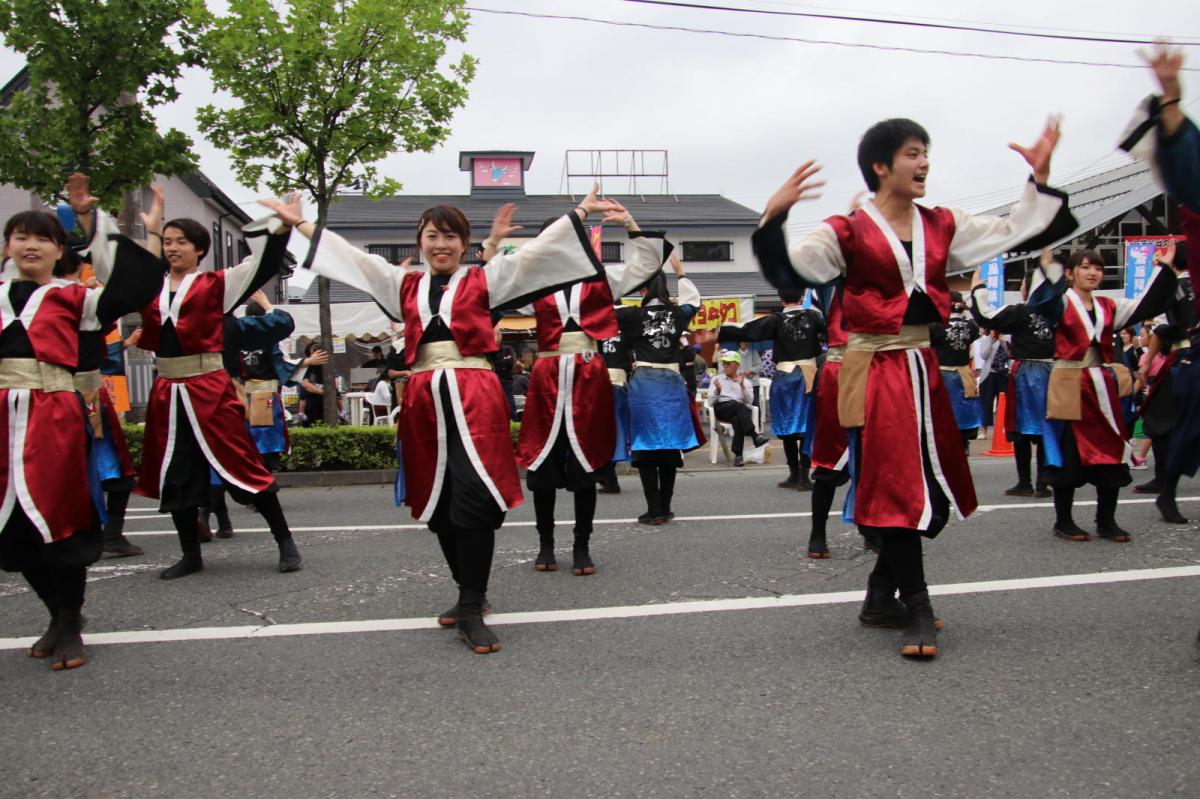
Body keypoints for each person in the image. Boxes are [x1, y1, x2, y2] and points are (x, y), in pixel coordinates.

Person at [754, 115, 1076, 659]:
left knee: (937, 493)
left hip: (923, 370)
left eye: (925, 151)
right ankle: (917, 606)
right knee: (902, 490)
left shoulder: (943, 224)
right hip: (874, 370)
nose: (924, 162)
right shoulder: (846, 230)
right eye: (911, 153)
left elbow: (1018, 231)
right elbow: (791, 272)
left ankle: (881, 594)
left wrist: (1040, 181)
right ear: (881, 166)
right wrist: (775, 214)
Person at [269, 184, 625, 655]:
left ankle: (472, 606)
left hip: (475, 396)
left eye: (451, 236)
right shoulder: (403, 286)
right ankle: (467, 595)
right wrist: (300, 223)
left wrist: (580, 211)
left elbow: (538, 253)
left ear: (464, 243)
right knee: (438, 507)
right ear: (420, 240)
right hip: (422, 401)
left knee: (477, 500)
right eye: (433, 235)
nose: (441, 245)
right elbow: (354, 259)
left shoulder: (485, 281)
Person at [1, 178, 162, 670]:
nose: (31, 245)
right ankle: (57, 615)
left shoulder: (77, 299)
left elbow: (133, 286)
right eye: (21, 236)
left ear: (59, 250)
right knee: (12, 533)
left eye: (43, 238)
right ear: (7, 246)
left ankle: (70, 622)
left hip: (54, 418)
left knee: (60, 522)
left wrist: (94, 223)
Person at [136, 197, 305, 579]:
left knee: (242, 465)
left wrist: (281, 227)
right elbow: (137, 272)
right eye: (167, 241)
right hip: (167, 390)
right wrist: (149, 231)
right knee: (177, 475)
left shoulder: (216, 285)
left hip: (209, 386)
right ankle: (190, 554)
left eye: (181, 241)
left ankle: (285, 541)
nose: (172, 248)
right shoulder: (152, 287)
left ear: (199, 249)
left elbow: (259, 265)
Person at [507, 207, 669, 575]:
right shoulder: (534, 280)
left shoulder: (601, 279)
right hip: (547, 378)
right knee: (543, 470)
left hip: (589, 377)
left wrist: (630, 224)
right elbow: (490, 288)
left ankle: (582, 545)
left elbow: (647, 264)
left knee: (585, 467)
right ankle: (546, 544)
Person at [1031, 248, 1176, 542]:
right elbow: (1039, 302)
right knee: (1067, 453)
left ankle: (1106, 520)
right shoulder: (1059, 302)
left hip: (1102, 386)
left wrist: (1165, 270)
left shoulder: (1109, 306)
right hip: (1068, 382)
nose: (1093, 273)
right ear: (1070, 273)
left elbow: (1147, 305)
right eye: (1085, 267)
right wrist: (1047, 267)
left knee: (1111, 453)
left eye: (1098, 268)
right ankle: (1064, 521)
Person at [618, 254, 701, 524]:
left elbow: (602, 310)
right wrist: (680, 271)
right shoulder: (677, 314)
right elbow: (694, 302)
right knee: (668, 448)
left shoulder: (632, 314)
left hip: (643, 385)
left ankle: (653, 509)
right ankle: (665, 508)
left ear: (642, 289)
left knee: (645, 447)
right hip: (672, 385)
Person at [718, 288, 824, 488]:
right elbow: (833, 329)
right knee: (808, 427)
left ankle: (794, 474)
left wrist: (725, 329)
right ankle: (803, 475)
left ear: (781, 298)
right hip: (808, 375)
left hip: (784, 377)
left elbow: (748, 329)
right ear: (801, 297)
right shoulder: (814, 317)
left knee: (786, 428)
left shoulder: (775, 320)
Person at [970, 269, 1059, 497]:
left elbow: (986, 316)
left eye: (1022, 284)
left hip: (1026, 374)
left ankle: (1026, 482)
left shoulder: (1022, 312)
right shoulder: (1059, 313)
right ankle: (1042, 483)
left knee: (1020, 429)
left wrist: (978, 289)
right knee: (1045, 429)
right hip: (1054, 374)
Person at [929, 292, 982, 456]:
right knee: (963, 409)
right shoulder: (970, 326)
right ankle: (963, 442)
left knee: (942, 410)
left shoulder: (937, 326)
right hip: (963, 373)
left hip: (942, 373)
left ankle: (942, 443)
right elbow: (977, 325)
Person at [706, 350, 769, 467]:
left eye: (728, 364)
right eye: (724, 363)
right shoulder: (717, 379)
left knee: (737, 418)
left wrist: (742, 386)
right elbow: (709, 402)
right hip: (722, 408)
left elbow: (750, 401)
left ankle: (738, 455)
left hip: (739, 411)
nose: (725, 366)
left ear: (737, 365)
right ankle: (755, 436)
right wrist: (717, 391)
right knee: (740, 407)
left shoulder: (745, 382)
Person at [597, 309, 633, 494]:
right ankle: (607, 478)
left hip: (601, 383)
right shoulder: (626, 332)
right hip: (619, 382)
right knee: (615, 431)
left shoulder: (596, 329)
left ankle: (608, 479)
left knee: (603, 432)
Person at [491, 325, 518, 420]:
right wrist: (502, 365)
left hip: (506, 382)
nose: (496, 336)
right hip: (492, 383)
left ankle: (514, 423)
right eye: (494, 334)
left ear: (501, 336)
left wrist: (497, 366)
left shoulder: (508, 349)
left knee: (510, 405)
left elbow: (511, 362)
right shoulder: (489, 351)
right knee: (492, 407)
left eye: (498, 334)